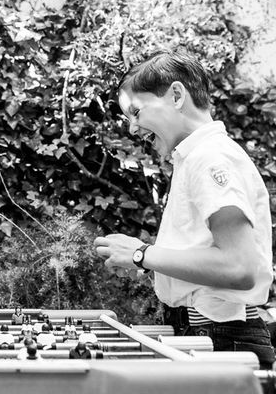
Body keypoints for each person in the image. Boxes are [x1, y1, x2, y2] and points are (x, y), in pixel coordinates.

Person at [94, 49, 275, 368]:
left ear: (176, 95)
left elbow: (239, 267)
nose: (133, 130)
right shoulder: (199, 156)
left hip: (225, 337)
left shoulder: (209, 158)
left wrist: (141, 254)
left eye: (136, 113)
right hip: (216, 332)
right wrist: (147, 264)